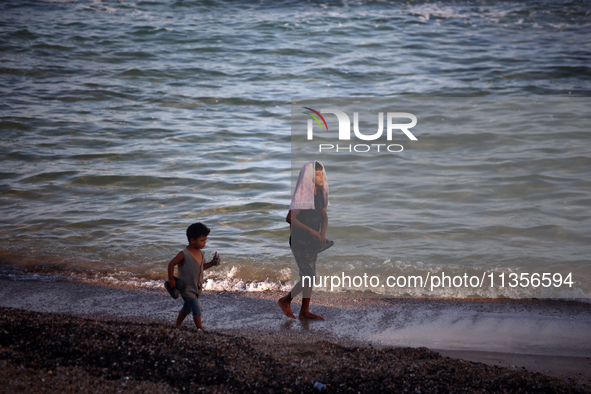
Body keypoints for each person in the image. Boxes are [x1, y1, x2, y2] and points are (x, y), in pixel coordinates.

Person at [278, 161, 331, 320]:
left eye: (322, 174)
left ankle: (304, 311)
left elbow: (324, 216)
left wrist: (322, 233)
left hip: (313, 242)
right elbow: (290, 218)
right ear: (309, 176)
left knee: (308, 276)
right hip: (300, 241)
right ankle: (285, 300)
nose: (321, 177)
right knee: (310, 276)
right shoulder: (303, 195)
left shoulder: (321, 194)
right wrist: (311, 231)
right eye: (317, 174)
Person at [167, 222, 220, 330]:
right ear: (192, 240)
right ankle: (200, 329)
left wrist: (212, 263)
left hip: (197, 288)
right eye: (202, 240)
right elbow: (171, 264)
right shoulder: (184, 254)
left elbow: (201, 268)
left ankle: (177, 325)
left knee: (187, 309)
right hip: (186, 288)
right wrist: (171, 279)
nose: (204, 243)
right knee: (197, 308)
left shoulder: (201, 253)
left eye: (205, 240)